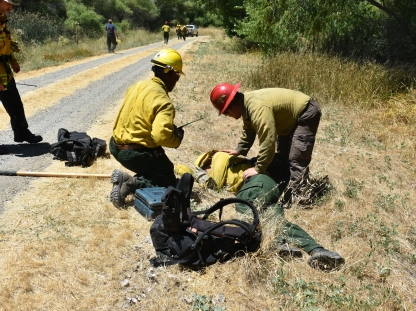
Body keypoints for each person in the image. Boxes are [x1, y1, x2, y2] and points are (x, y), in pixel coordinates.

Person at [187, 150, 344, 271]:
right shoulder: (231, 165)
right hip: (266, 186)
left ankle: (278, 243)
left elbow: (216, 181)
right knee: (272, 215)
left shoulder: (220, 158)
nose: (204, 172)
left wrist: (194, 173)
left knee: (245, 206)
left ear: (207, 163)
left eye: (204, 169)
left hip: (255, 184)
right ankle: (317, 250)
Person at [209, 83, 322, 206]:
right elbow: (249, 129)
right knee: (283, 155)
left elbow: (268, 140)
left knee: (296, 157)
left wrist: (259, 168)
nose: (228, 116)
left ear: (233, 107)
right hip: (288, 117)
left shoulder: (257, 109)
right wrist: (240, 149)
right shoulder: (245, 104)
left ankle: (301, 198)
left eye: (225, 113)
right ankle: (286, 183)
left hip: (305, 112)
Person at [109, 48, 185, 208]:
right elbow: (161, 136)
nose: (176, 80)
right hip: (134, 153)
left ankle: (132, 178)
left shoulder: (137, 85)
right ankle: (130, 183)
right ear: (171, 74)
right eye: (177, 76)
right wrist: (176, 139)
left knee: (156, 165)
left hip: (115, 147)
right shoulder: (164, 101)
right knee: (168, 178)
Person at [0, 0, 42, 156]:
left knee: (15, 104)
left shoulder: (0, 17)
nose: (11, 8)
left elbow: (3, 44)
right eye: (8, 3)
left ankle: (21, 133)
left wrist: (13, 60)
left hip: (3, 71)